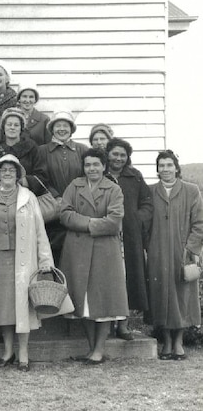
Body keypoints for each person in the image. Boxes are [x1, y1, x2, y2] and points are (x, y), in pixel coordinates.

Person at [0, 155, 61, 371]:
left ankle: (23, 353)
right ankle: (8, 351)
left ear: (18, 173)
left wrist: (45, 261)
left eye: (12, 170)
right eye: (4, 170)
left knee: (22, 308)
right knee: (4, 308)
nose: (8, 173)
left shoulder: (28, 197)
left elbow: (40, 230)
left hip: (23, 260)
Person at [60, 148, 128, 365]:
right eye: (88, 165)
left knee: (103, 300)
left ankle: (99, 350)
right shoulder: (74, 185)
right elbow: (64, 214)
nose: (91, 169)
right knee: (83, 301)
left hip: (104, 251)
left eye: (96, 164)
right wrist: (94, 222)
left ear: (104, 166)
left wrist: (85, 224)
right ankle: (91, 349)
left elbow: (114, 222)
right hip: (77, 250)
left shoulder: (114, 189)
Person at [146, 150, 203, 361]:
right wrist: (147, 246)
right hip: (157, 251)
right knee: (161, 295)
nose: (165, 169)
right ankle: (166, 342)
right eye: (161, 165)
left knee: (182, 295)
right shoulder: (150, 191)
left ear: (176, 168)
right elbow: (144, 221)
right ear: (157, 169)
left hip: (183, 251)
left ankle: (178, 342)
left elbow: (199, 223)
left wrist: (191, 249)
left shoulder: (191, 190)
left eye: (169, 165)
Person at [104, 138, 152, 341]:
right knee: (107, 278)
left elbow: (147, 203)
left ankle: (123, 326)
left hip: (130, 238)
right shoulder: (101, 175)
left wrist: (137, 219)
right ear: (107, 154)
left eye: (123, 155)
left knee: (127, 279)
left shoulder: (135, 176)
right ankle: (105, 325)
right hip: (106, 234)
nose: (118, 158)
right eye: (115, 154)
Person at [34, 110, 87, 262]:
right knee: (55, 252)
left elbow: (87, 177)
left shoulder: (82, 150)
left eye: (66, 125)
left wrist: (74, 198)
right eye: (58, 125)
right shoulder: (42, 151)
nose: (62, 129)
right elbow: (40, 178)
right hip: (53, 210)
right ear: (52, 129)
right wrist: (55, 197)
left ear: (71, 129)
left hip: (78, 208)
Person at [0, 107, 38, 173]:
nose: (12, 128)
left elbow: (40, 174)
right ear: (3, 126)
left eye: (16, 125)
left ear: (21, 128)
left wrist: (23, 180)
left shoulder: (31, 148)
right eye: (9, 125)